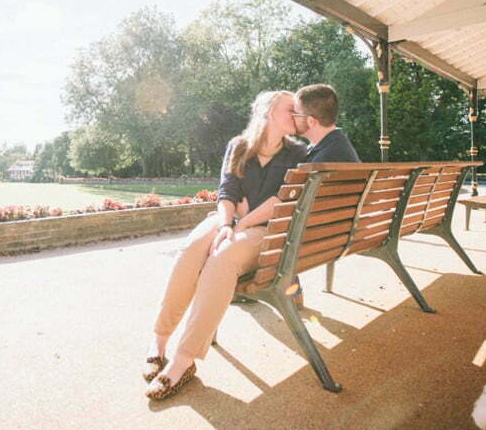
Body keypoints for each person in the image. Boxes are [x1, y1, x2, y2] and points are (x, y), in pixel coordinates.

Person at [144, 90, 306, 400]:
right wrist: (226, 223)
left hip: (263, 229)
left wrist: (240, 224)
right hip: (230, 217)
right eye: (291, 109)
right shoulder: (238, 146)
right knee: (192, 248)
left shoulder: (297, 153)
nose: (297, 116)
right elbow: (227, 192)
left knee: (221, 258)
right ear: (270, 112)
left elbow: (279, 201)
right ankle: (159, 340)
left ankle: (183, 362)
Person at [293, 83, 360, 163]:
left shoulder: (326, 158)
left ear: (311, 121)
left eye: (295, 113)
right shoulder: (333, 144)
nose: (292, 117)